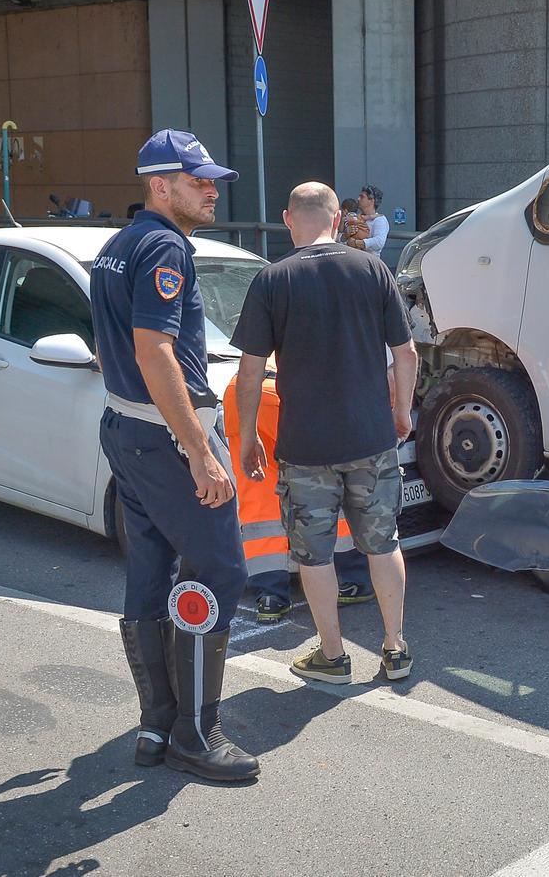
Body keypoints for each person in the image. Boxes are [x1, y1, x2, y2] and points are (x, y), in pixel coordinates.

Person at [91, 129, 258, 783]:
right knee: (220, 569)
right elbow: (152, 350)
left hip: (128, 429)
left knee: (152, 569)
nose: (211, 189)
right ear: (160, 185)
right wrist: (198, 449)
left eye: (212, 179)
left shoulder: (118, 244)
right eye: (199, 180)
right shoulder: (164, 244)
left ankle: (157, 721)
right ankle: (194, 731)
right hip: (166, 436)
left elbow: (110, 348)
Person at [231, 182, 418, 685]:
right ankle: (395, 648)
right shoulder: (373, 270)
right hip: (371, 438)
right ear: (339, 220)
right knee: (383, 543)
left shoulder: (272, 280)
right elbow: (407, 355)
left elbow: (250, 373)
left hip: (306, 445)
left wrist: (247, 439)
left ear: (289, 220)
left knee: (313, 554)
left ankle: (333, 656)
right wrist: (401, 413)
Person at [222, 369, 375, 623]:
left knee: (260, 499)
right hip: (284, 393)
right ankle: (353, 579)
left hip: (239, 394)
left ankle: (270, 596)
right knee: (327, 480)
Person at [343, 185, 389, 256]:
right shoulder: (354, 218)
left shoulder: (379, 220)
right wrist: (346, 234)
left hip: (369, 262)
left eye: (362, 197)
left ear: (372, 200)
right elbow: (339, 239)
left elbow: (379, 242)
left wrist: (356, 243)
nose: (358, 199)